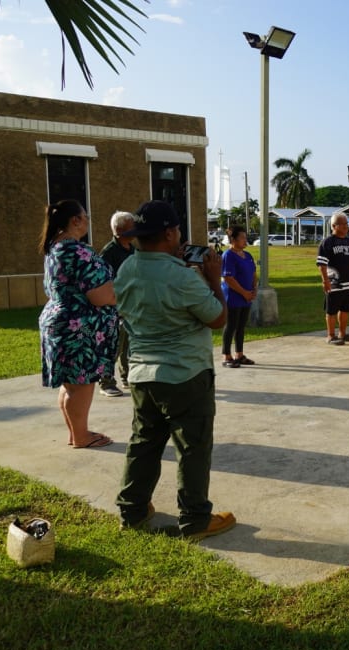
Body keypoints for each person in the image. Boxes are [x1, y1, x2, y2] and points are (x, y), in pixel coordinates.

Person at [113, 200, 235, 540]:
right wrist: (213, 279)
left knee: (144, 442)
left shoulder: (126, 270)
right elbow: (217, 318)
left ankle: (132, 510)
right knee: (193, 448)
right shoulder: (183, 278)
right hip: (185, 374)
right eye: (178, 230)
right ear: (169, 233)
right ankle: (195, 519)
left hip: (141, 374)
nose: (181, 235)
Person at [38, 199, 118, 449]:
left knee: (70, 384)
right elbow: (101, 295)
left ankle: (76, 433)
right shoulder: (77, 250)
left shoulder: (55, 247)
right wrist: (118, 294)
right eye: (86, 216)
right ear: (76, 220)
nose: (87, 221)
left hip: (60, 320)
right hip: (78, 327)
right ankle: (82, 436)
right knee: (81, 383)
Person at [97, 211, 137, 397]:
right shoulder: (109, 252)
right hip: (113, 306)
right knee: (113, 345)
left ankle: (126, 376)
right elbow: (103, 282)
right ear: (120, 230)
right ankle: (105, 381)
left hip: (130, 304)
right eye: (132, 226)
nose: (136, 230)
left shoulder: (132, 250)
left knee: (128, 343)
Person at [317, 211, 349, 345]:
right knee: (332, 309)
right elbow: (322, 264)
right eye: (342, 224)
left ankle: (342, 333)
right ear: (334, 226)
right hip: (334, 282)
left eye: (347, 224)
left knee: (346, 309)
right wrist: (325, 280)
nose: (346, 227)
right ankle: (330, 335)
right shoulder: (327, 242)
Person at [220, 224, 257, 368]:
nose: (245, 240)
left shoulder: (247, 255)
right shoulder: (228, 256)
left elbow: (253, 273)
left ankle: (239, 354)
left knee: (241, 326)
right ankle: (226, 356)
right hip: (233, 297)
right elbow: (228, 278)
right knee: (231, 326)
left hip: (247, 297)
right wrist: (244, 292)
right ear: (233, 239)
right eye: (242, 238)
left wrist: (253, 289)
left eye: (245, 237)